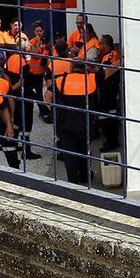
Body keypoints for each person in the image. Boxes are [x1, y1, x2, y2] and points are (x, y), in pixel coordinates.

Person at [46, 48, 98, 184]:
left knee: (69, 154)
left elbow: (48, 95)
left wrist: (53, 109)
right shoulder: (92, 79)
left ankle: (72, 182)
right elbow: (107, 72)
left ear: (71, 67)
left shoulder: (60, 80)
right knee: (84, 152)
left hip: (65, 123)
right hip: (85, 123)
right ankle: (85, 177)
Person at [3, 36, 42, 161]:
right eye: (27, 43)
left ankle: (16, 145)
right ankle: (27, 151)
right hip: (24, 95)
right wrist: (13, 88)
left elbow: (6, 75)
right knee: (26, 123)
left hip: (15, 96)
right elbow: (22, 81)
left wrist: (10, 90)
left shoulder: (10, 59)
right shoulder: (23, 62)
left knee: (17, 121)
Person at [96, 35, 122, 152]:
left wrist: (96, 71)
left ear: (106, 45)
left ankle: (112, 142)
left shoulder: (111, 54)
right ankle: (111, 139)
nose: (99, 46)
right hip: (106, 90)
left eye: (101, 43)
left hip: (109, 91)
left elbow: (105, 71)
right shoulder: (105, 55)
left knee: (107, 117)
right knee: (106, 116)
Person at [25, 20, 52, 123]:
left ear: (43, 31)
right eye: (37, 31)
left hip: (40, 72)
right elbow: (35, 55)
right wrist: (37, 43)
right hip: (31, 72)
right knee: (33, 92)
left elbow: (45, 56)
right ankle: (43, 110)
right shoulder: (32, 42)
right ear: (34, 32)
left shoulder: (46, 42)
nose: (39, 33)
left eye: (40, 31)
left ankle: (43, 111)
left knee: (40, 92)